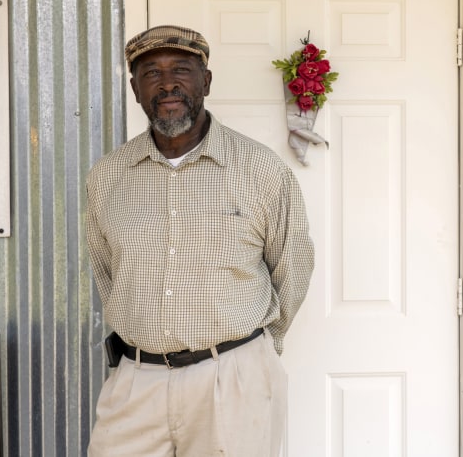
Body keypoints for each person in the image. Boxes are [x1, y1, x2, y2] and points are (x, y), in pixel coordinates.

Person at [85, 25, 314, 456]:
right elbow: (107, 271)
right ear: (135, 88)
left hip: (233, 379)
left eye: (182, 70)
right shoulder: (107, 177)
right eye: (151, 72)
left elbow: (293, 265)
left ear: (205, 81)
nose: (167, 83)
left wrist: (256, 351)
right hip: (136, 381)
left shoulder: (260, 170)